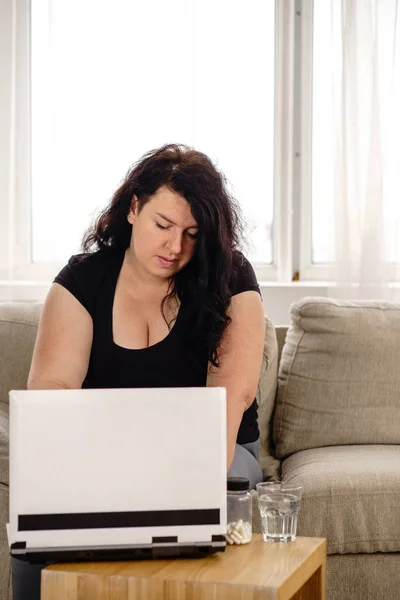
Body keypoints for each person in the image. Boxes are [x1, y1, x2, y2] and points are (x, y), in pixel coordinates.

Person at [12, 143, 265, 599]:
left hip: (218, 454)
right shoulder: (83, 281)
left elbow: (231, 399)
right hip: (104, 455)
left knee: (209, 518)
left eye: (192, 233)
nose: (175, 247)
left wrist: (164, 488)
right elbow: (51, 392)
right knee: (38, 543)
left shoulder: (232, 278)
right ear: (133, 208)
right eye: (163, 225)